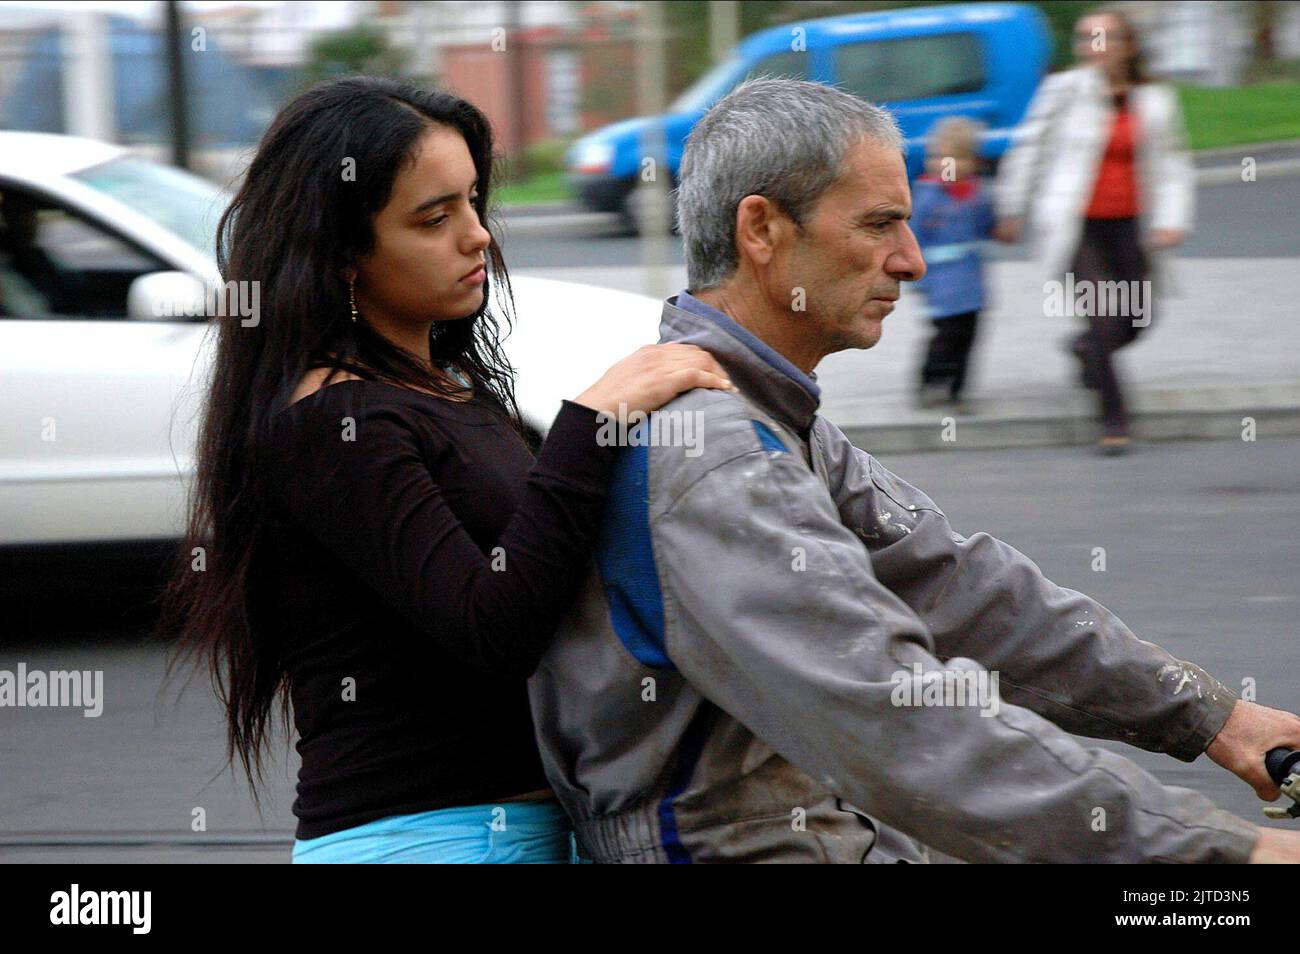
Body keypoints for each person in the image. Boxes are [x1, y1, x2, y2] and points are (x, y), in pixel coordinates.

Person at [526, 78, 1300, 864]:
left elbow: (965, 587)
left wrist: (1213, 718)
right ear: (761, 229)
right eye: (880, 224)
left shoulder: (769, 415)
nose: (914, 259)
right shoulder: (718, 453)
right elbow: (900, 716)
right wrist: (1229, 854)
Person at [158, 76, 732, 864]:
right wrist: (591, 424)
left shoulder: (435, 387)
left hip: (516, 830)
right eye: (435, 218)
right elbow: (492, 626)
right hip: (429, 840)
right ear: (341, 255)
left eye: (472, 201)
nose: (479, 236)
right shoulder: (335, 423)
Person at [994, 6, 1194, 454]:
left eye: (1104, 37)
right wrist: (1011, 207)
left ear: (1129, 45)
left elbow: (1174, 164)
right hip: (1076, 225)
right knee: (1103, 316)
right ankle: (1114, 417)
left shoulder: (1156, 99)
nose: (1093, 47)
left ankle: (1086, 351)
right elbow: (1030, 146)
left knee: (1138, 320)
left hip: (1132, 226)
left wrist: (1170, 219)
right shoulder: (1064, 90)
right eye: (1086, 38)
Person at [909, 117, 995, 408]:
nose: (944, 165)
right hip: (940, 283)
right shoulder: (927, 196)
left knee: (969, 337)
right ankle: (930, 382)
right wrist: (917, 279)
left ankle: (958, 391)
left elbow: (986, 225)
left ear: (972, 161)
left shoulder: (977, 194)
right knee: (944, 336)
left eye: (956, 158)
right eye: (938, 157)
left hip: (971, 283)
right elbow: (914, 237)